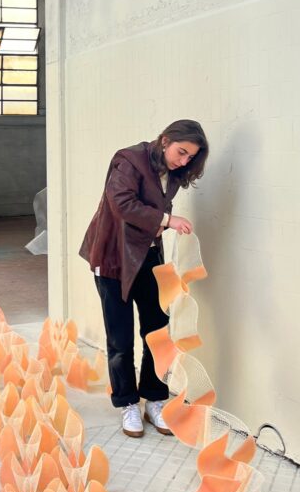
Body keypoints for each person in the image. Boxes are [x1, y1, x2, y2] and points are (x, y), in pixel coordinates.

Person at [80, 119, 209, 439]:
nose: (184, 161)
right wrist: (168, 219)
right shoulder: (128, 160)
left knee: (158, 333)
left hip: (149, 257)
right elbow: (121, 203)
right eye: (181, 152)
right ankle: (127, 404)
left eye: (190, 157)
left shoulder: (174, 173)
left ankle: (154, 398)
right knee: (120, 338)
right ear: (165, 140)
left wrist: (161, 227)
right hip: (113, 258)